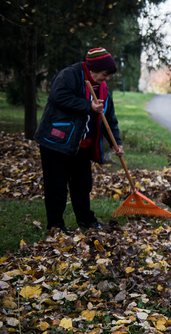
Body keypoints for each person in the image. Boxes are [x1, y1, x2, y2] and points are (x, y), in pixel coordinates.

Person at [34, 47, 124, 233]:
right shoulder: (70, 75)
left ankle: (86, 221)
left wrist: (117, 142)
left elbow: (110, 117)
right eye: (105, 74)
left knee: (82, 185)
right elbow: (57, 97)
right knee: (57, 186)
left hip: (82, 146)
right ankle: (56, 226)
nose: (107, 78)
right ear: (94, 69)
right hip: (56, 141)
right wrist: (88, 105)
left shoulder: (103, 89)